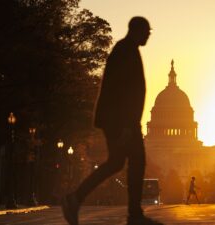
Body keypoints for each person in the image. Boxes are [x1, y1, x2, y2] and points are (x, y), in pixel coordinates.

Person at [61, 16, 163, 225]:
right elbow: (121, 91)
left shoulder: (126, 49)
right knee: (135, 161)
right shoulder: (125, 51)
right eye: (147, 32)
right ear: (137, 30)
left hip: (120, 120)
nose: (148, 36)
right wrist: (126, 126)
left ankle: (76, 198)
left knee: (116, 163)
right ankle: (133, 214)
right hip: (122, 121)